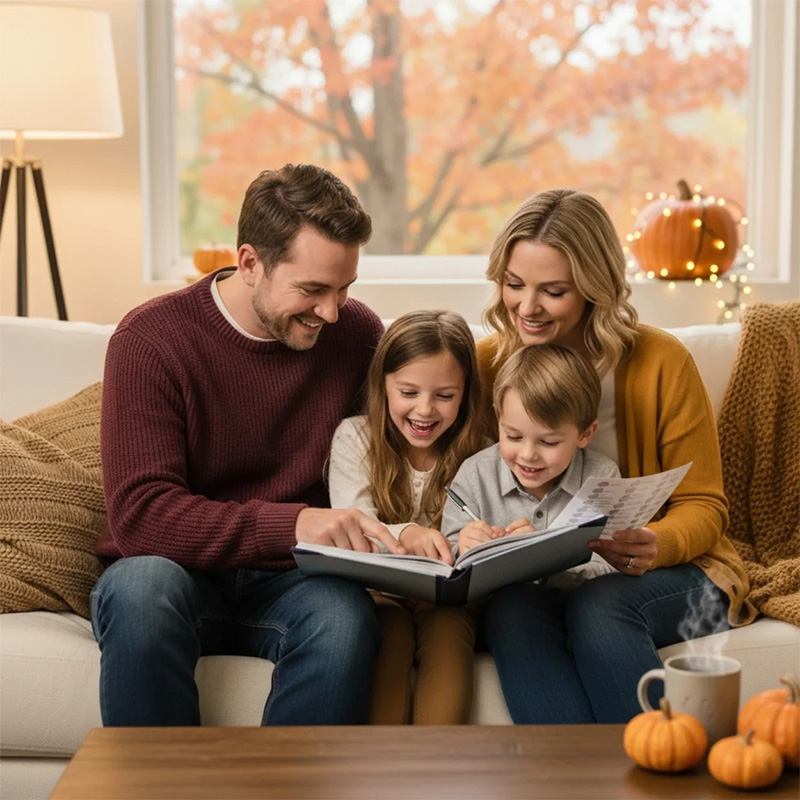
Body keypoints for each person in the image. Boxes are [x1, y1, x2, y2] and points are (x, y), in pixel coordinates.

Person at [92, 163, 403, 727]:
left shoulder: (357, 335)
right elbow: (141, 516)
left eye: (344, 289)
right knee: (140, 590)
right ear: (250, 263)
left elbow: (392, 466)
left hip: (295, 580)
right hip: (176, 573)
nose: (331, 312)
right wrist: (294, 523)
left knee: (345, 619)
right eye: (312, 289)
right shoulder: (149, 341)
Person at [475, 188, 755, 724]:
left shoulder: (660, 361)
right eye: (514, 285)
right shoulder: (488, 364)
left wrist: (659, 542)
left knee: (601, 603)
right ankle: (570, 780)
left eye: (552, 291)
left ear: (593, 289)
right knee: (511, 611)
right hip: (539, 578)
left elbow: (705, 504)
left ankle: (661, 764)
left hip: (672, 572)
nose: (526, 308)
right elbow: (460, 483)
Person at [327, 310, 486, 724]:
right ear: (383, 385)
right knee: (389, 634)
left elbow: (485, 532)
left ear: (466, 393)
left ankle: (435, 766)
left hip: (450, 600)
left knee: (450, 634)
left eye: (445, 395)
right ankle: (387, 768)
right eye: (409, 392)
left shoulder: (482, 453)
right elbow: (353, 524)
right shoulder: (355, 438)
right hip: (378, 593)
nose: (425, 410)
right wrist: (408, 534)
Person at [441, 344, 620, 593]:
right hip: (507, 608)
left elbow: (611, 567)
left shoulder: (602, 478)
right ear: (498, 419)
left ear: (585, 433)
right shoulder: (475, 475)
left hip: (582, 604)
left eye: (548, 442)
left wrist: (545, 560)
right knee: (514, 607)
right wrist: (463, 548)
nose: (527, 455)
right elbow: (448, 558)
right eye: (513, 436)